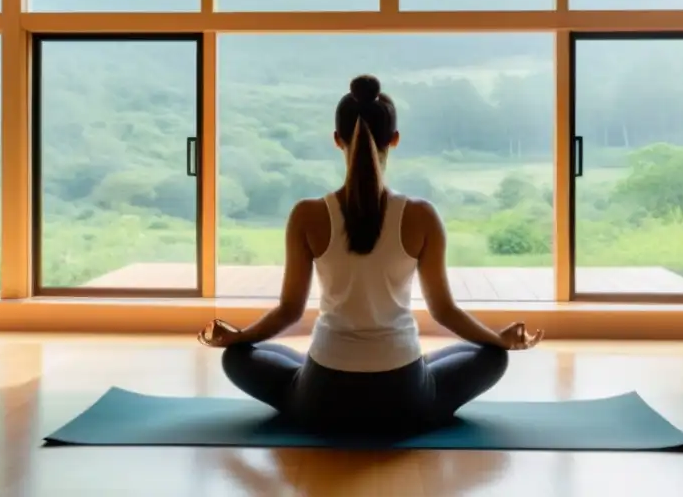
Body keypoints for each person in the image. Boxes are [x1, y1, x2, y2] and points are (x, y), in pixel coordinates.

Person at [199, 74, 542, 435]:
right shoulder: (422, 215)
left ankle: (308, 391)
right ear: (394, 140)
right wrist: (498, 339)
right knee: (490, 356)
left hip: (322, 398)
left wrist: (236, 337)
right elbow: (444, 312)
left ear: (337, 140)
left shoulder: (307, 214)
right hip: (406, 399)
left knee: (239, 358)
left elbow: (289, 312)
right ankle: (410, 383)